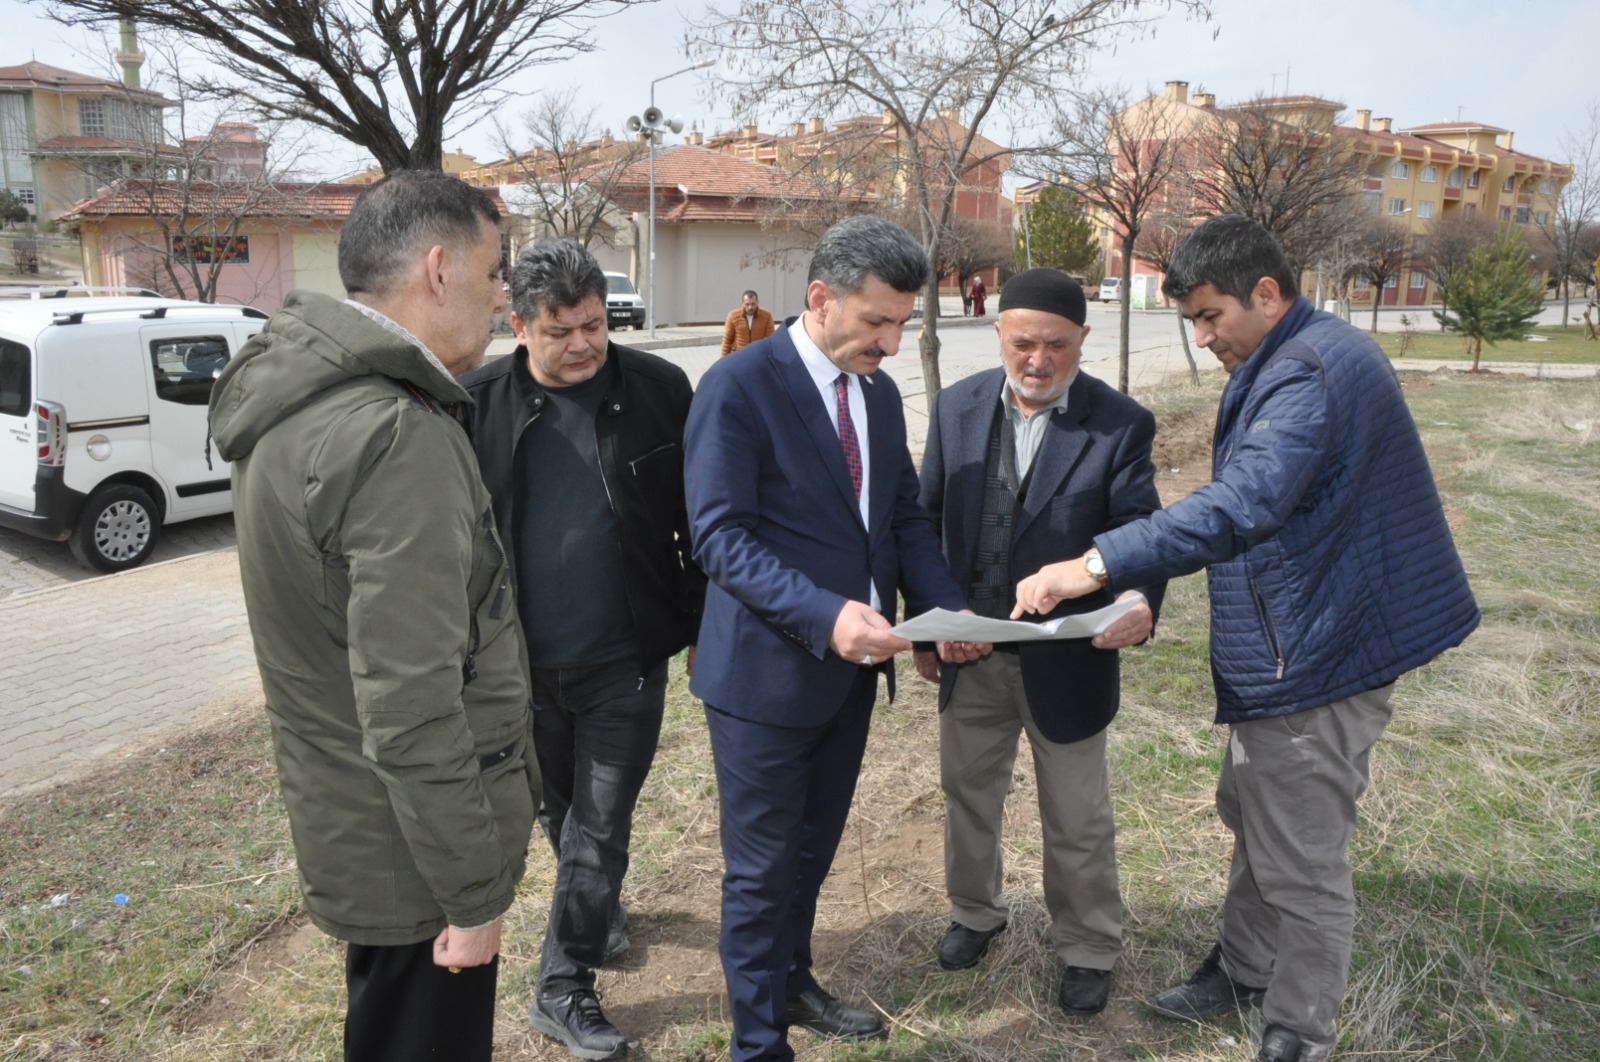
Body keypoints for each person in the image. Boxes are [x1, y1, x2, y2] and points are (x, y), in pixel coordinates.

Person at [1011, 214, 1479, 1062]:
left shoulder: (1307, 372)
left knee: (1300, 857)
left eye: (1209, 316)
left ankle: (1297, 1032)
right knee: (1256, 810)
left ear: (1266, 293)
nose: (1202, 335)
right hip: (1299, 641)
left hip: (1320, 652)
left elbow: (1244, 503)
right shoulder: (1298, 351)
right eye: (1190, 319)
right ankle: (1244, 968)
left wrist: (1094, 564)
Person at [208, 171, 538, 1062]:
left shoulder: (300, 404)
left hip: (365, 828)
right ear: (439, 269)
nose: (504, 295)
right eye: (496, 270)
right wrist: (473, 897)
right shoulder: (395, 433)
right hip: (417, 862)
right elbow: (411, 701)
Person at [684, 215, 978, 1062]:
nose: (889, 342)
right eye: (876, 322)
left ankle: (792, 979)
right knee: (762, 868)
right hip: (765, 683)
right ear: (820, 299)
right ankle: (757, 1041)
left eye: (901, 325)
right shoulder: (739, 388)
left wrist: (942, 612)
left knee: (811, 853)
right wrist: (825, 613)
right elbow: (719, 537)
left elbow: (900, 517)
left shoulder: (879, 396)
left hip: (851, 675)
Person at [461, 238, 704, 1061]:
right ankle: (595, 915)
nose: (582, 345)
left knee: (600, 827)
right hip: (515, 669)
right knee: (562, 816)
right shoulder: (474, 403)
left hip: (626, 658)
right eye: (559, 330)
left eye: (594, 325)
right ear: (518, 323)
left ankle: (562, 988)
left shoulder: (661, 390)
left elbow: (697, 524)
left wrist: (703, 625)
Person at [915, 268, 1165, 1016]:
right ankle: (975, 913)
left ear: (1082, 341)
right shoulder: (955, 407)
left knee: (1078, 817)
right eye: (1023, 342)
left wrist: (1139, 602)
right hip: (973, 655)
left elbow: (1142, 538)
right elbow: (925, 527)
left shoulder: (1121, 424)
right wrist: (932, 627)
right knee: (968, 797)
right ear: (997, 333)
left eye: (1058, 345)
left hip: (1070, 663)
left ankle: (1088, 946)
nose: (1038, 360)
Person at [721, 289, 776, 355]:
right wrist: (723, 360)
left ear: (758, 302)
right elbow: (727, 340)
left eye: (753, 304)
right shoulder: (733, 316)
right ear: (742, 303)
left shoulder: (766, 316)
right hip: (739, 354)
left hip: (758, 354)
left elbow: (771, 339)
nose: (750, 307)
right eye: (747, 304)